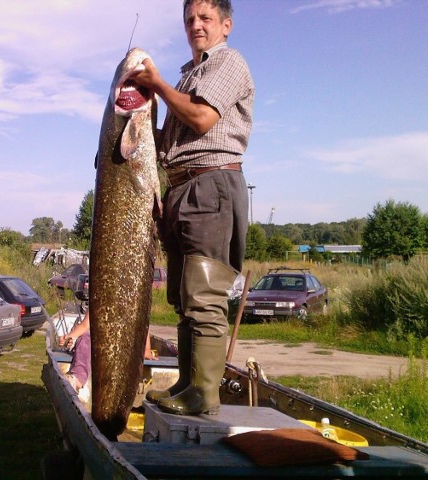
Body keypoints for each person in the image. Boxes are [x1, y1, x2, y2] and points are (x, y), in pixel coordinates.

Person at [134, 0, 254, 416]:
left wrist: (158, 85)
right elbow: (169, 138)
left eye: (205, 19)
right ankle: (187, 385)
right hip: (182, 188)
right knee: (185, 298)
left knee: (204, 296)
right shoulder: (190, 75)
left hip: (211, 184)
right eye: (189, 19)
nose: (195, 26)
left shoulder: (229, 62)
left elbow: (202, 119)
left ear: (226, 25)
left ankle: (204, 394)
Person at [58, 311, 158, 402]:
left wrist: (146, 349)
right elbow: (85, 325)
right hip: (101, 344)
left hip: (124, 345)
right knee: (86, 337)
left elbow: (143, 324)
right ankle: (78, 378)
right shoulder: (99, 297)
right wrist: (68, 336)